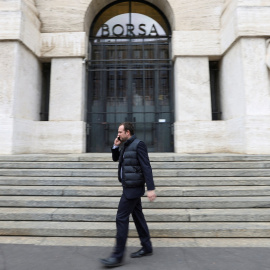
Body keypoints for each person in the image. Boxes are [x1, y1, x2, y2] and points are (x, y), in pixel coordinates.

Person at [100, 122, 157, 268]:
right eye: (118, 132)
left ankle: (117, 256)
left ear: (128, 132)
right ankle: (147, 247)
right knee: (138, 217)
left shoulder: (139, 145)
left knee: (121, 218)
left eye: (120, 132)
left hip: (133, 188)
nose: (118, 134)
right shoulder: (125, 144)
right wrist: (115, 146)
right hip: (128, 186)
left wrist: (150, 188)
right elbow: (115, 159)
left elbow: (146, 166)